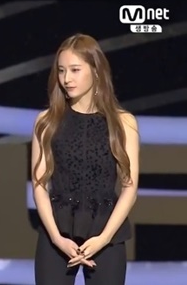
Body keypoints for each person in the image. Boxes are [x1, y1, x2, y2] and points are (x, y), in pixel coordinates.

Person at [32, 33, 139, 284]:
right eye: (61, 71)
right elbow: (39, 184)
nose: (66, 79)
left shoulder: (123, 122)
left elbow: (129, 187)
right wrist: (57, 238)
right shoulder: (46, 121)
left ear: (96, 70)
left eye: (75, 70)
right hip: (57, 232)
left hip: (106, 231)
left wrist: (104, 238)